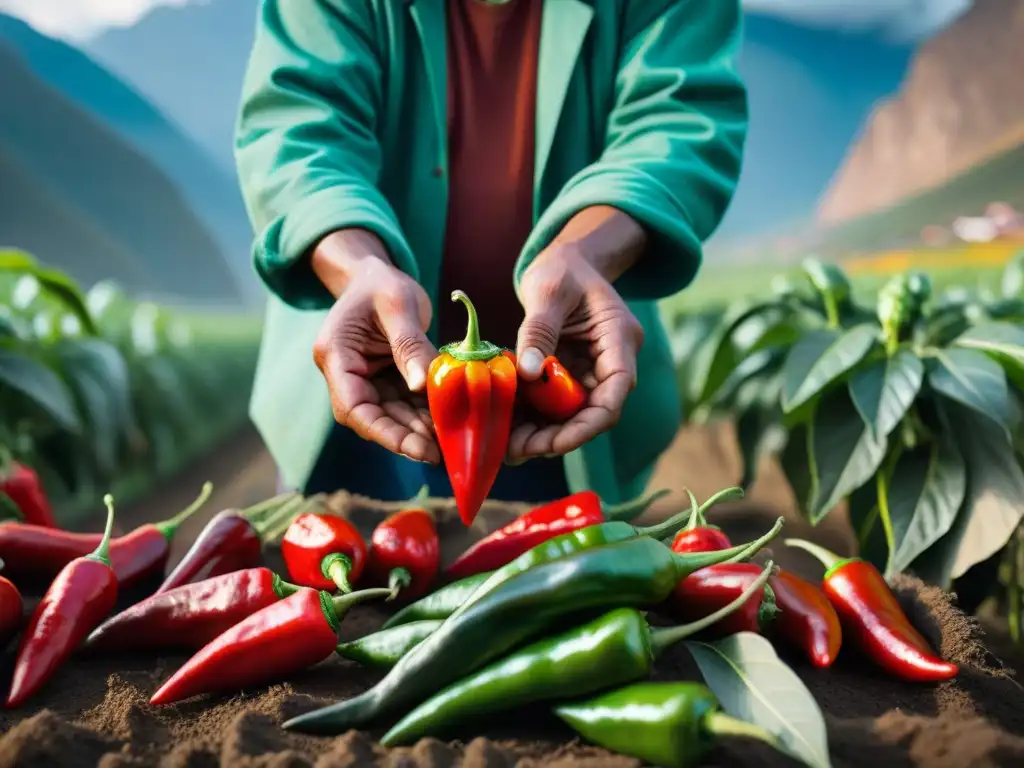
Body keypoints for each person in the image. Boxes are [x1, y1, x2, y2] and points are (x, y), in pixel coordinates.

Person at [235, 0, 748, 506]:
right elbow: (295, 130)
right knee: (341, 559)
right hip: (364, 375)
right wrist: (358, 267)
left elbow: (677, 126)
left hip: (566, 381)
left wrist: (586, 253)